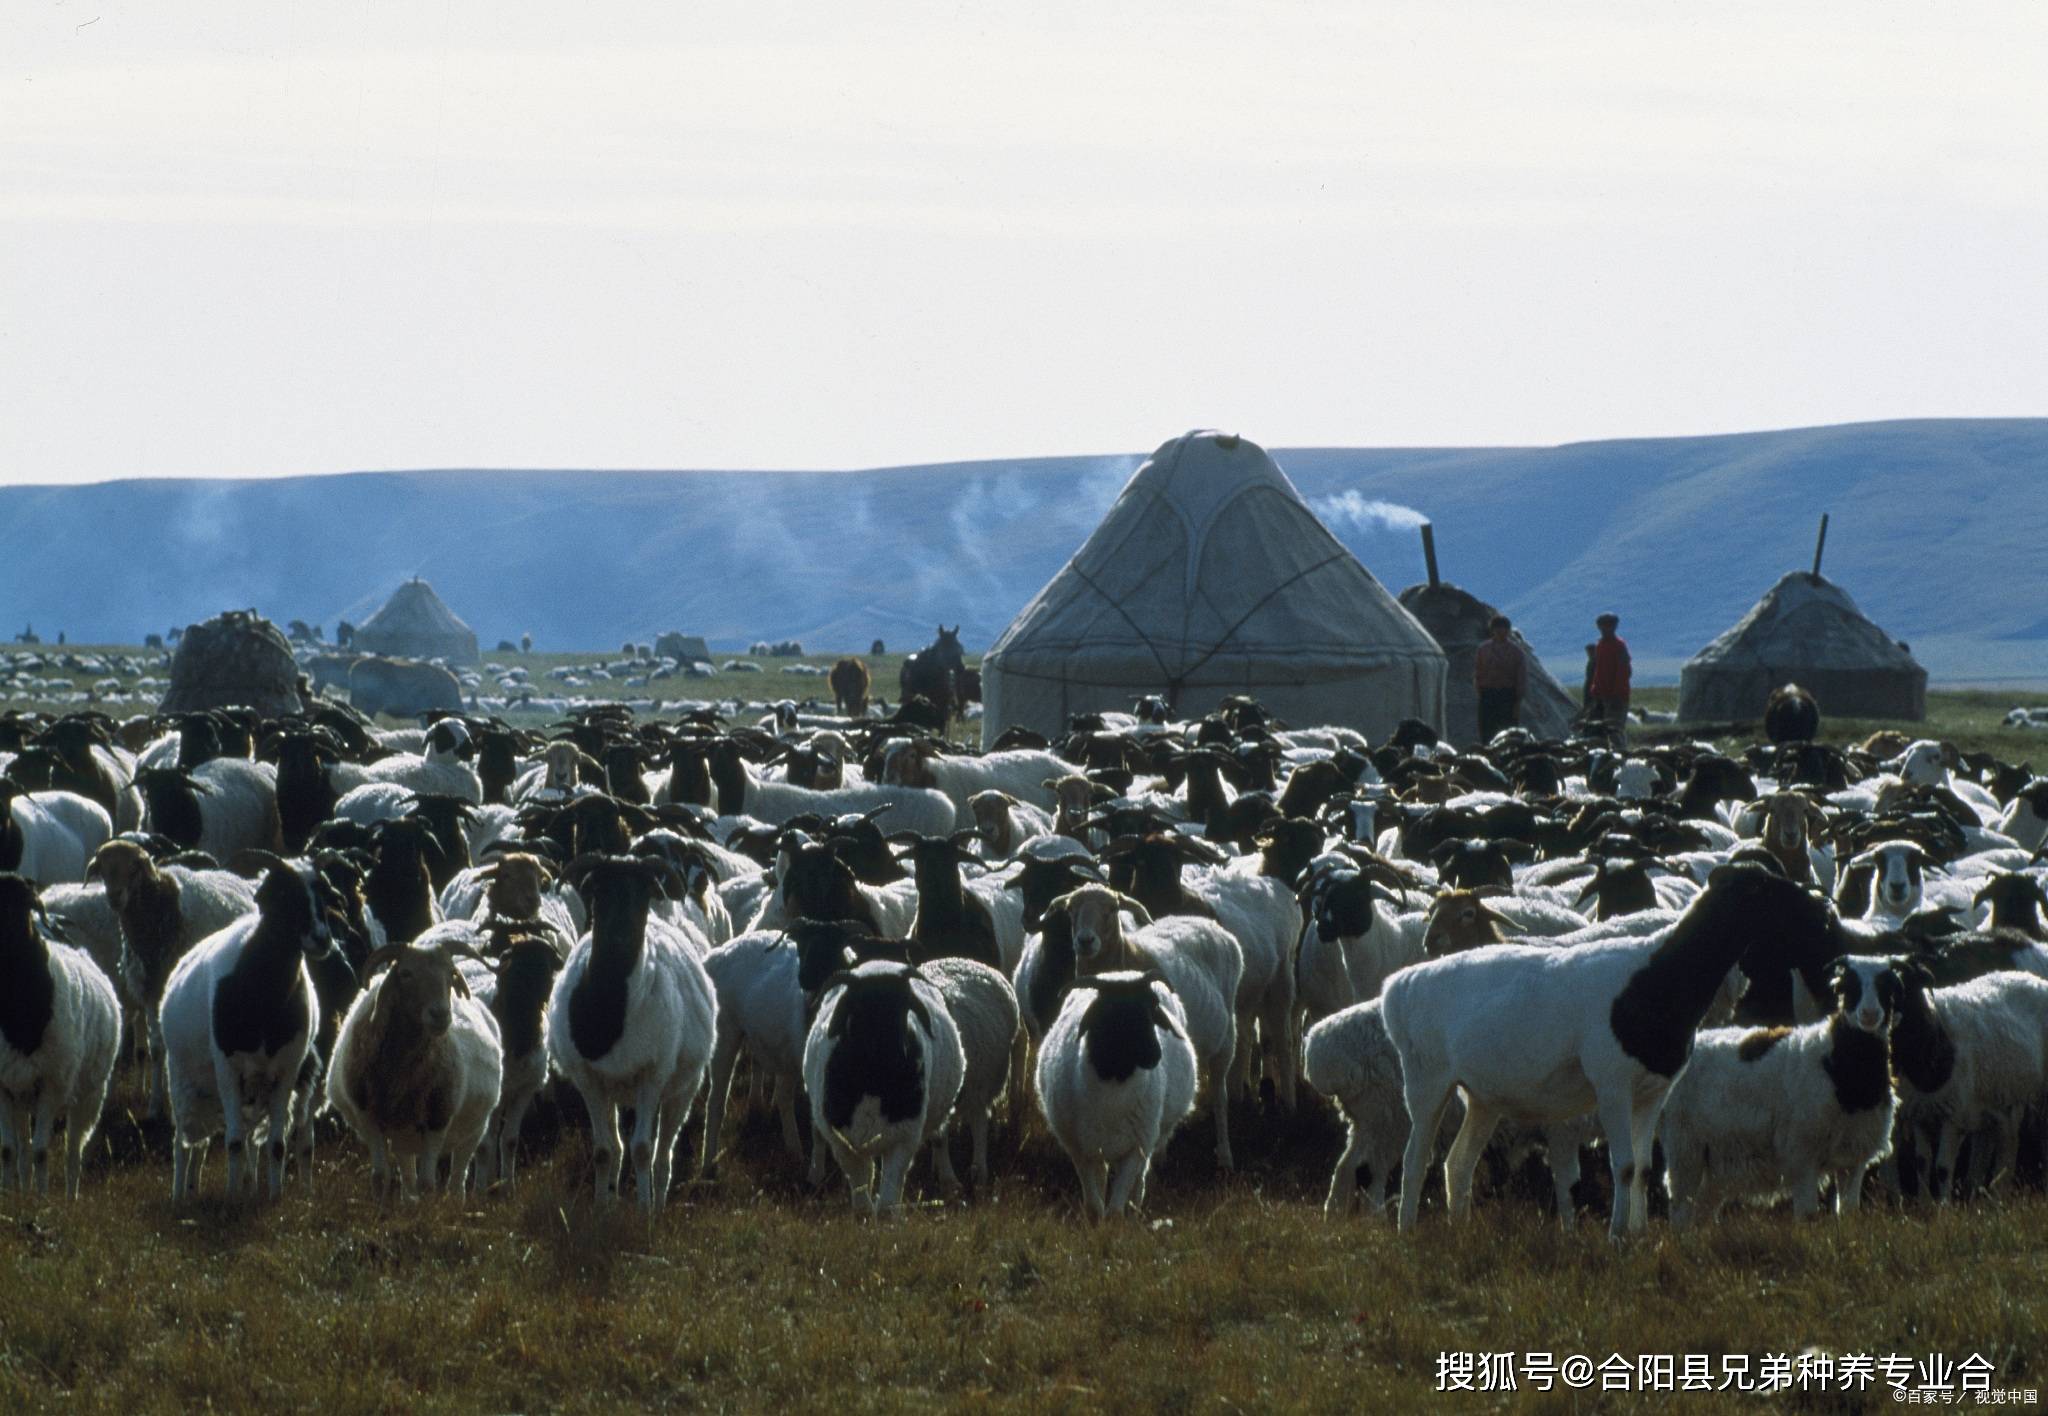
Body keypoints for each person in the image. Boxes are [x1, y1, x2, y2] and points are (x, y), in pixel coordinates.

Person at [1472, 614, 1526, 743]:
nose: (1501, 632)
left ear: (1508, 631)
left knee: (1509, 732)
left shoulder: (1516, 652)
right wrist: (1480, 693)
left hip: (1508, 695)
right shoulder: (1483, 650)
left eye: (1504, 629)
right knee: (1487, 732)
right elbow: (1478, 673)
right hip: (1488, 695)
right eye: (1498, 629)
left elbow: (1521, 678)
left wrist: (1517, 702)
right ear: (1492, 631)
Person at [1588, 611, 1632, 749]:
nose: (1604, 629)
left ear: (1614, 627)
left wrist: (1616, 696)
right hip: (1602, 697)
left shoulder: (1619, 646)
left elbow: (1623, 673)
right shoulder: (1601, 645)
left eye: (1608, 626)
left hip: (1616, 697)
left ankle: (1621, 757)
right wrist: (1595, 691)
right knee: (1599, 732)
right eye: (1602, 626)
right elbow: (1599, 671)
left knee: (1615, 731)